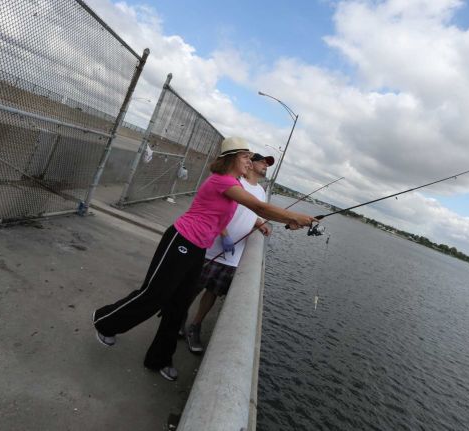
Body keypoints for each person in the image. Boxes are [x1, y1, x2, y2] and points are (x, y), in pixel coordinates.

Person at [92, 137, 315, 381]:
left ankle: (158, 359)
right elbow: (259, 208)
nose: (249, 162)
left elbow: (252, 211)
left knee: (178, 307)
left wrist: (286, 221)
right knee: (154, 295)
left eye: (250, 158)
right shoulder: (222, 181)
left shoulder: (235, 184)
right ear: (231, 158)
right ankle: (104, 321)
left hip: (198, 248)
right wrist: (296, 217)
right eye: (245, 157)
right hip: (181, 241)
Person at [184, 152, 275, 353]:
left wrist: (259, 223)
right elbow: (220, 211)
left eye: (268, 164)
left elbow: (252, 211)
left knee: (213, 292)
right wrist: (224, 234)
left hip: (233, 256)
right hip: (212, 248)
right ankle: (177, 318)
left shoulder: (261, 191)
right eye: (263, 162)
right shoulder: (234, 182)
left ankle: (195, 326)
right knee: (192, 287)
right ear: (250, 164)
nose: (266, 166)